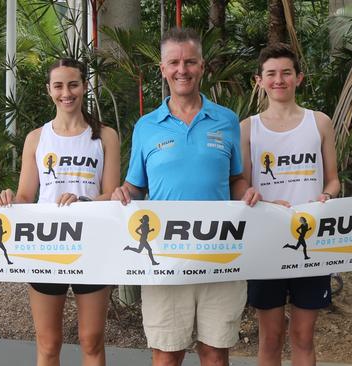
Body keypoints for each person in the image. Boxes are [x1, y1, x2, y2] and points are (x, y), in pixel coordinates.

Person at [112, 27, 259, 366]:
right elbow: (136, 185)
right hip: (166, 257)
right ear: (162, 69)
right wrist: (124, 192)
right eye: (174, 62)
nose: (183, 70)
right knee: (167, 356)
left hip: (219, 254)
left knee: (215, 354)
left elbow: (236, 178)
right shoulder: (146, 126)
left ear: (202, 66)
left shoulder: (226, 120)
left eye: (190, 62)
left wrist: (246, 191)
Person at [0, 58, 120, 366]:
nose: (67, 92)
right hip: (47, 246)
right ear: (48, 90)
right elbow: (25, 195)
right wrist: (9, 198)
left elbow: (113, 195)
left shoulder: (105, 136)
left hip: (91, 244)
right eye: (59, 85)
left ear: (85, 86)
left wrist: (84, 202)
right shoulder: (36, 138)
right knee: (48, 343)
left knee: (92, 340)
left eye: (73, 84)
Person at [239, 44, 340, 366]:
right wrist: (260, 199)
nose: (278, 80)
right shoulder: (247, 128)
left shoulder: (320, 122)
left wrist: (327, 196)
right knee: (270, 338)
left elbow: (334, 180)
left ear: (299, 78)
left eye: (286, 73)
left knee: (303, 337)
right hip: (266, 243)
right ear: (259, 80)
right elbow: (242, 184)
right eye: (271, 74)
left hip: (311, 242)